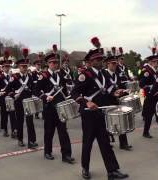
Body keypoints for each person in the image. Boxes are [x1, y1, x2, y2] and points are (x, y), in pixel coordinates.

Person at [71, 37, 128, 180]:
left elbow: (108, 88)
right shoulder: (84, 75)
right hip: (89, 115)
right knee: (88, 143)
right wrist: (86, 102)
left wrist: (116, 92)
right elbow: (74, 93)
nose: (100, 61)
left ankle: (112, 171)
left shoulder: (103, 73)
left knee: (105, 143)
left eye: (101, 59)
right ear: (90, 62)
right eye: (97, 60)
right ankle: (85, 168)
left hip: (101, 113)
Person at [34, 46, 74, 164]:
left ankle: (66, 155)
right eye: (52, 62)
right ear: (48, 64)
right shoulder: (43, 76)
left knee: (63, 132)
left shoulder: (60, 75)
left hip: (60, 107)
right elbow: (36, 91)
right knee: (49, 132)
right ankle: (47, 151)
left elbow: (65, 91)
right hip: (49, 109)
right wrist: (46, 97)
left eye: (56, 62)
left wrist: (67, 98)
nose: (55, 64)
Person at [5, 48, 38, 149]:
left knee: (30, 122)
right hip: (18, 102)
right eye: (23, 66)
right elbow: (8, 90)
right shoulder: (14, 77)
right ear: (19, 67)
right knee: (20, 121)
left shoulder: (31, 77)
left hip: (28, 101)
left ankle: (31, 141)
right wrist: (14, 94)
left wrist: (34, 95)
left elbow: (33, 88)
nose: (24, 68)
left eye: (26, 66)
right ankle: (20, 139)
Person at [103, 49, 132, 151]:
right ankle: (106, 142)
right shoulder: (104, 74)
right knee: (106, 122)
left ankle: (123, 143)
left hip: (117, 100)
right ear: (108, 64)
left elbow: (120, 86)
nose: (115, 65)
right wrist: (113, 93)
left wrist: (125, 91)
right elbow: (104, 88)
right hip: (107, 101)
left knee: (121, 120)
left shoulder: (116, 75)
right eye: (113, 63)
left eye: (116, 63)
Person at [139, 55, 158, 138]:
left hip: (157, 96)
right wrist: (151, 88)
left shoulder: (156, 71)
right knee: (149, 116)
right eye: (156, 62)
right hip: (151, 96)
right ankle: (145, 132)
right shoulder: (147, 71)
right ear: (151, 62)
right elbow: (141, 84)